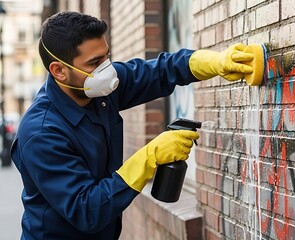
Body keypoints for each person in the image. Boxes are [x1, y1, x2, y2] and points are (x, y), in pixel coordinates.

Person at [11, 11, 254, 240]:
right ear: (59, 71)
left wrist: (217, 61)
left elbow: (160, 71)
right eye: (95, 62)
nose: (107, 69)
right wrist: (149, 157)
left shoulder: (96, 88)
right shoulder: (41, 133)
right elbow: (87, 210)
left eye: (107, 56)